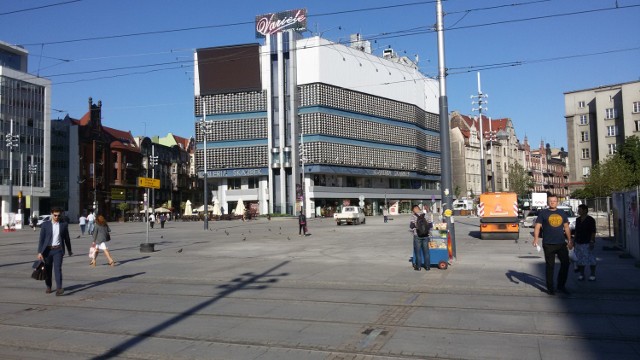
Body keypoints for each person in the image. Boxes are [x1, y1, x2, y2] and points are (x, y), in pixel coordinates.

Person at [533, 194, 573, 295]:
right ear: (548, 202)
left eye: (554, 201)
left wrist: (569, 240)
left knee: (566, 263)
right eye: (550, 201)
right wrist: (536, 239)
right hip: (548, 243)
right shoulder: (543, 213)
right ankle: (550, 288)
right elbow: (537, 227)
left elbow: (566, 227)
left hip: (561, 243)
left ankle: (561, 285)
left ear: (557, 202)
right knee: (550, 266)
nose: (552, 203)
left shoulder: (561, 213)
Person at [36, 207, 72, 296]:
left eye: (58, 215)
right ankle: (48, 286)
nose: (57, 217)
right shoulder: (45, 225)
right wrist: (40, 252)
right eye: (55, 215)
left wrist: (69, 250)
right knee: (48, 270)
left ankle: (59, 288)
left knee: (58, 269)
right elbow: (41, 239)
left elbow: (67, 239)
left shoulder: (63, 224)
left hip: (58, 250)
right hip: (47, 251)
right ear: (52, 214)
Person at [574, 204, 597, 281]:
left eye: (580, 210)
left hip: (587, 241)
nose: (578, 211)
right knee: (580, 259)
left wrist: (592, 241)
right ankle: (582, 274)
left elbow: (593, 231)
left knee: (591, 259)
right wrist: (574, 241)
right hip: (579, 241)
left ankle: (592, 274)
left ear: (585, 210)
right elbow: (576, 231)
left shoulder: (590, 220)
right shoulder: (577, 220)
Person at [409, 204, 432, 271]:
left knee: (418, 252)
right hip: (425, 236)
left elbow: (411, 226)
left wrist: (414, 229)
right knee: (426, 251)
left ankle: (418, 267)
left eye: (413, 210)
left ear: (414, 209)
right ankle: (427, 267)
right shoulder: (426, 215)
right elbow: (430, 225)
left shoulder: (413, 216)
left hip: (417, 236)